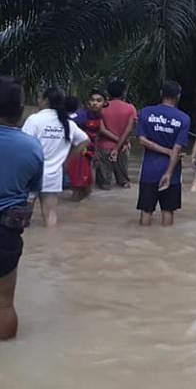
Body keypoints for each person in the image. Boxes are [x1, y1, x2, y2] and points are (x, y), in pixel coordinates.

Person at [0, 76, 44, 340]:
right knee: (4, 303)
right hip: (6, 232)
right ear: (19, 110)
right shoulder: (32, 147)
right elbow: (32, 189)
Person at [22, 87, 89, 226]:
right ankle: (51, 243)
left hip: (31, 174)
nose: (38, 100)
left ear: (46, 100)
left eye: (40, 98)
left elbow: (23, 145)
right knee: (50, 215)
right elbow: (85, 141)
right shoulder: (68, 123)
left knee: (23, 218)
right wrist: (67, 160)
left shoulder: (34, 120)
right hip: (54, 175)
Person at [136, 81, 191, 226]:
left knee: (146, 210)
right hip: (171, 173)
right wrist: (168, 173)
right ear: (178, 96)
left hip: (149, 171)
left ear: (161, 93)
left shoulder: (145, 112)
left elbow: (141, 140)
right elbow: (177, 149)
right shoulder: (183, 118)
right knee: (167, 211)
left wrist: (162, 149)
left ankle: (141, 240)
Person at [67, 89, 114, 201]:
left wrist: (95, 154)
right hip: (79, 156)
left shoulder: (98, 116)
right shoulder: (81, 116)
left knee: (87, 189)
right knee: (79, 188)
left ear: (104, 103)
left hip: (89, 155)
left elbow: (96, 136)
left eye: (98, 100)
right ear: (88, 102)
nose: (94, 103)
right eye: (92, 100)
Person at [97, 79, 137, 190]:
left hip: (104, 147)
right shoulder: (130, 108)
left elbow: (102, 130)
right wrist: (121, 142)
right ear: (123, 92)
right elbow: (129, 130)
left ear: (108, 92)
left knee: (104, 184)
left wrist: (117, 141)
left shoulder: (102, 108)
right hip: (123, 148)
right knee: (124, 182)